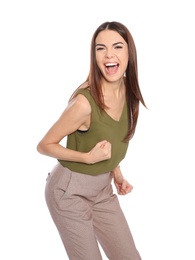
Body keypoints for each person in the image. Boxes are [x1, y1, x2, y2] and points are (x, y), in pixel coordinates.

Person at [37, 21, 146, 260]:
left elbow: (108, 138)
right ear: (94, 55)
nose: (109, 54)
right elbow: (45, 145)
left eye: (117, 46)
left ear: (129, 52)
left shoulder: (129, 91)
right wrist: (86, 157)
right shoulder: (84, 104)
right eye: (100, 48)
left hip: (102, 190)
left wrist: (116, 172)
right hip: (69, 192)